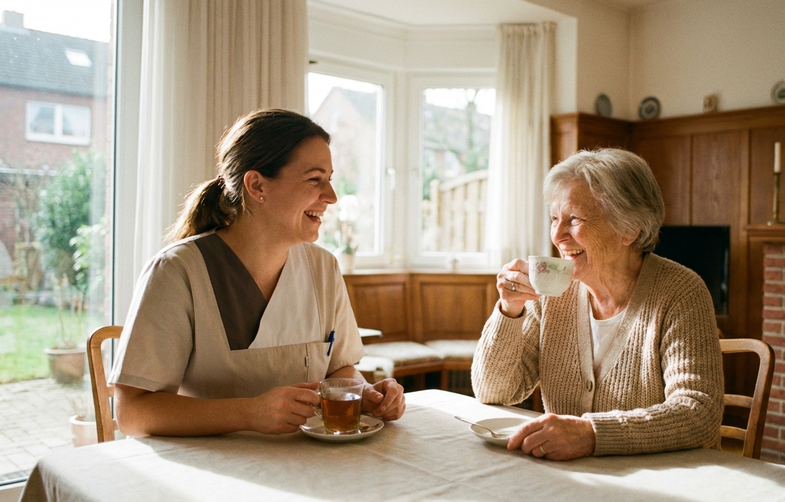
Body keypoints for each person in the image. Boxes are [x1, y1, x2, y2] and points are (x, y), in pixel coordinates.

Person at [110, 109, 405, 437]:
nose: (331, 197)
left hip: (310, 464)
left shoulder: (323, 268)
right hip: (212, 472)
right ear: (257, 185)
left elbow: (340, 369)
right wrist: (248, 412)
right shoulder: (177, 271)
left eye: (330, 179)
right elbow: (132, 412)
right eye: (314, 179)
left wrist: (365, 395)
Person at [472, 148, 723, 460]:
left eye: (574, 219)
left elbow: (700, 413)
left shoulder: (680, 292)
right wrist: (510, 310)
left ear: (629, 229)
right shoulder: (553, 293)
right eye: (554, 219)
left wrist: (592, 434)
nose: (558, 236)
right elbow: (494, 392)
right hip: (575, 480)